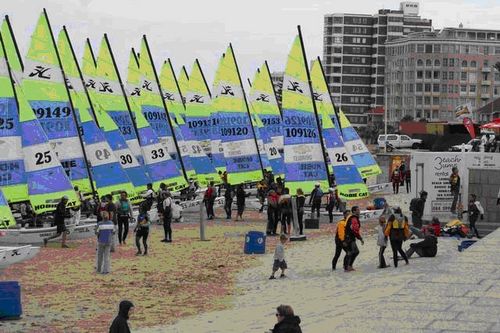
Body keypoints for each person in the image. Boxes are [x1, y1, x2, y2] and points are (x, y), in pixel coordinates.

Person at [344, 206, 364, 272]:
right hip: (349, 238)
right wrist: (360, 238)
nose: (359, 211)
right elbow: (355, 230)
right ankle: (348, 267)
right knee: (354, 252)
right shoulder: (353, 219)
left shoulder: (353, 218)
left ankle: (348, 266)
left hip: (349, 237)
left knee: (353, 252)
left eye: (359, 210)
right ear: (354, 211)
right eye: (358, 210)